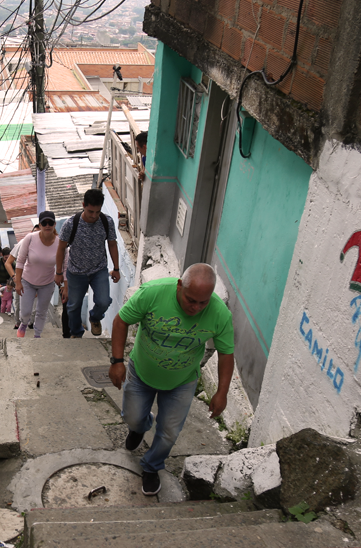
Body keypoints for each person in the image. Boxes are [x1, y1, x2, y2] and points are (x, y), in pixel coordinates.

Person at [109, 263, 235, 496]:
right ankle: (140, 427)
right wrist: (117, 361)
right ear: (179, 286)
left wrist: (222, 392)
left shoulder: (220, 314)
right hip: (142, 372)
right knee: (133, 418)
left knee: (169, 432)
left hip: (182, 381)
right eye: (190, 300)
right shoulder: (153, 293)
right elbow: (120, 321)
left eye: (203, 302)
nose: (196, 307)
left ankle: (152, 466)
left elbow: (227, 353)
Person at [55, 188, 120, 338]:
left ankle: (95, 318)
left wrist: (116, 268)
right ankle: (77, 333)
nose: (94, 216)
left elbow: (112, 244)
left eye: (97, 212)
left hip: (99, 270)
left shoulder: (106, 222)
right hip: (76, 273)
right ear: (84, 205)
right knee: (73, 307)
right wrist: (59, 273)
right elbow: (61, 249)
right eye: (91, 211)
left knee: (104, 301)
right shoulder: (71, 224)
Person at [15, 211, 60, 339]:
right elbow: (20, 261)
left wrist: (63, 281)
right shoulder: (30, 238)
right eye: (44, 223)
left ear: (54, 224)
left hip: (47, 283)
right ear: (39, 225)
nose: (47, 226)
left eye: (50, 223)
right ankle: (23, 323)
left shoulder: (59, 242)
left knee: (41, 311)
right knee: (26, 311)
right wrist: (18, 282)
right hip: (28, 281)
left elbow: (65, 263)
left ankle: (37, 335)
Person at [6, 224, 39, 329]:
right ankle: (18, 323)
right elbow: (8, 263)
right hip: (22, 279)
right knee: (19, 304)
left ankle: (30, 323)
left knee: (34, 306)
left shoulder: (46, 246)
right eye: (35, 232)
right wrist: (14, 277)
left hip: (38, 280)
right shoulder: (23, 243)